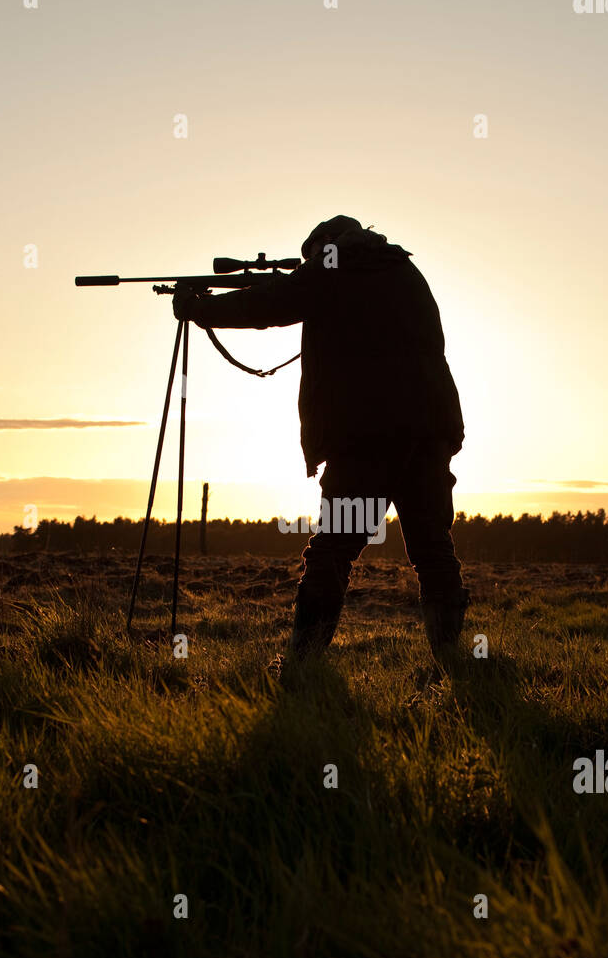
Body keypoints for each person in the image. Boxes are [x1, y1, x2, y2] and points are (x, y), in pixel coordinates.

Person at [173, 216, 469, 669]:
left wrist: (202, 309)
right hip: (430, 432)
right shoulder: (403, 269)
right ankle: (455, 662)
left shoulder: (334, 267)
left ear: (324, 247)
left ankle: (302, 664)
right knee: (433, 549)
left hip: (367, 438)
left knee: (331, 550)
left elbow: (270, 305)